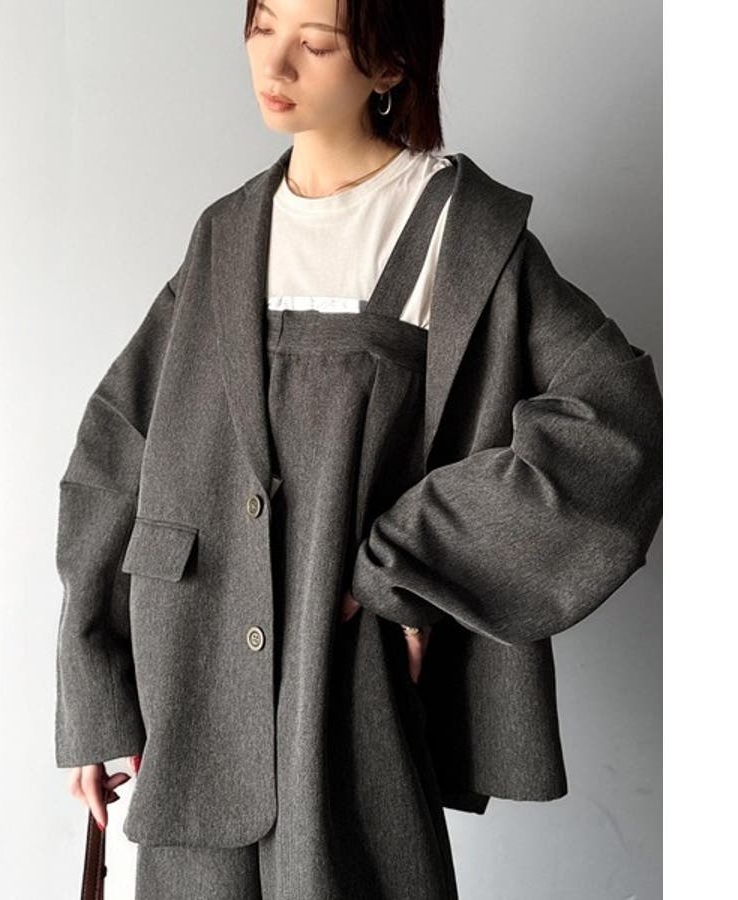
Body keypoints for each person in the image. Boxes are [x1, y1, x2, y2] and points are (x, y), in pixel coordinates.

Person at [54, 1, 663, 897]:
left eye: (316, 43)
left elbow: (615, 425)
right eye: (263, 25)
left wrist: (406, 562)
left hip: (348, 692)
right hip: (195, 693)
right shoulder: (226, 235)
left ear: (390, 65)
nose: (275, 65)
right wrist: (94, 688)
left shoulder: (459, 232)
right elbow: (114, 449)